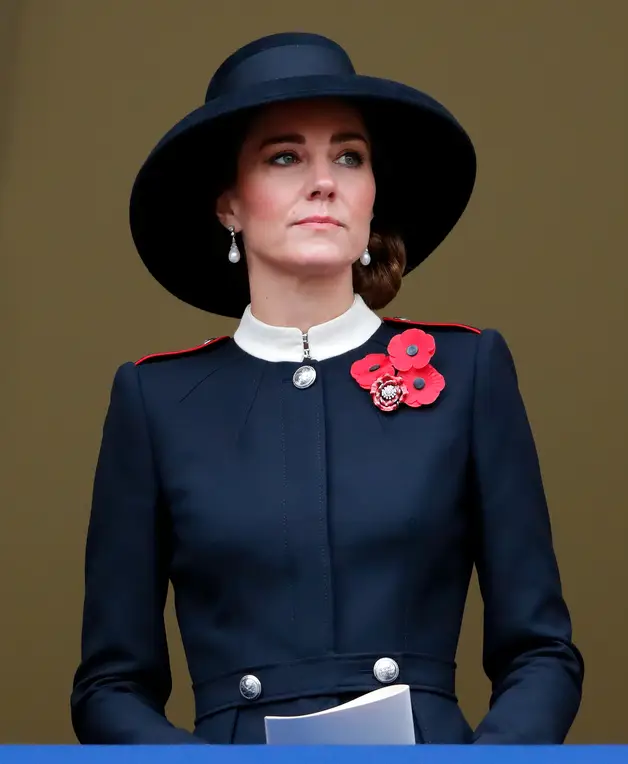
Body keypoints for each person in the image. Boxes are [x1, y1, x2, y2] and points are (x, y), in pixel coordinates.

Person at [70, 32, 584, 745]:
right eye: (285, 157)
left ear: (374, 196)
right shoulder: (156, 401)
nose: (325, 181)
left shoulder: (468, 371)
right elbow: (108, 686)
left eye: (350, 156)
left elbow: (541, 653)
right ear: (229, 204)